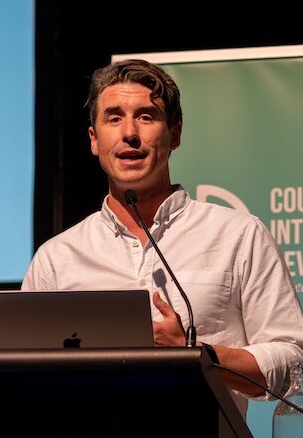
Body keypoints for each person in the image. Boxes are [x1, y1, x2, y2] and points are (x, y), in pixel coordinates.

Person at [22, 58, 303, 415]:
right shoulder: (56, 258)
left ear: (175, 134)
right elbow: (19, 380)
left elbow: (294, 362)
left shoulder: (239, 236)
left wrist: (197, 354)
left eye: (146, 116)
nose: (129, 133)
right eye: (113, 118)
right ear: (94, 140)